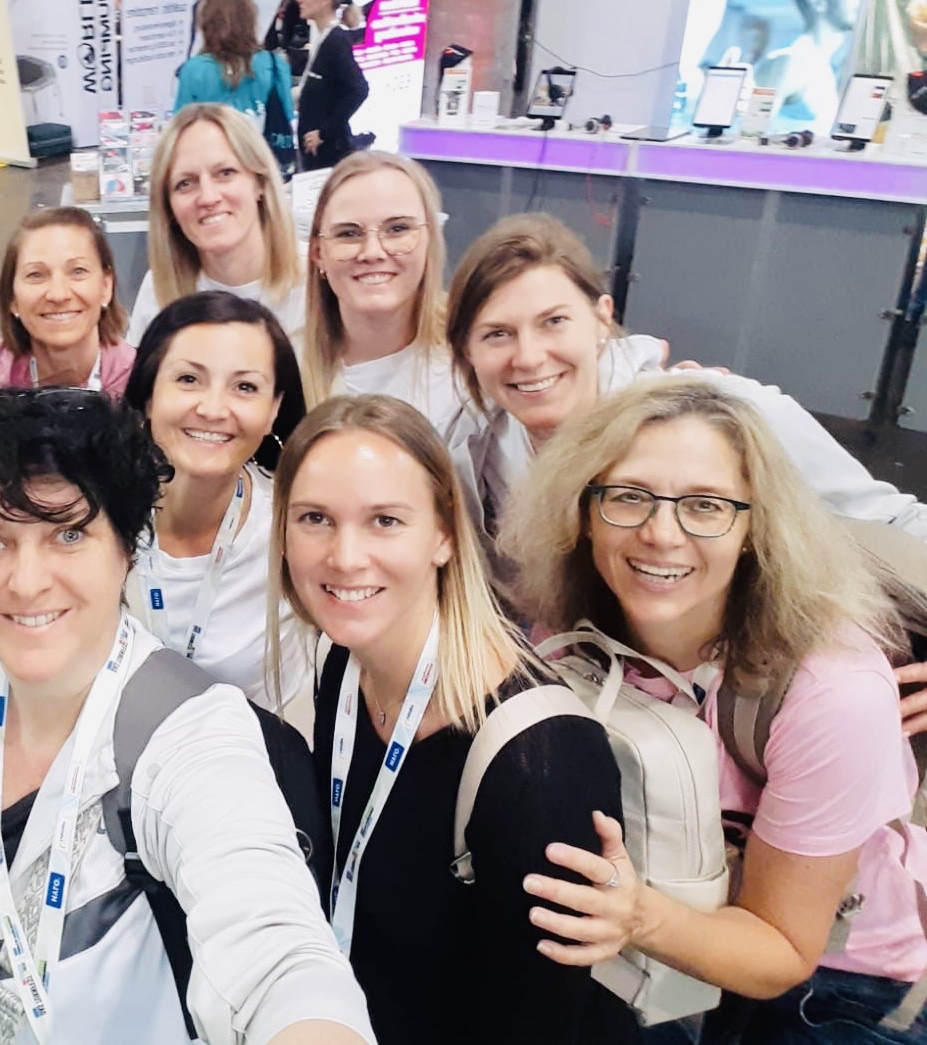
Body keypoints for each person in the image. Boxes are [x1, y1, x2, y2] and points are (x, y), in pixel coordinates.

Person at [0, 388, 374, 1043]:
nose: (27, 581)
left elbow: (274, 947)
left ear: (126, 549)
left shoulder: (188, 734)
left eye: (69, 534)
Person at [500, 377, 927, 1043]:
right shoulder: (567, 628)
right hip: (655, 926)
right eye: (629, 495)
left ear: (755, 527)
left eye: (705, 505)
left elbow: (782, 951)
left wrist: (638, 915)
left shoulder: (829, 690)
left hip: (833, 982)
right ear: (584, 511)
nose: (660, 533)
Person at [266, 392, 635, 1043]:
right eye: (315, 518)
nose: (344, 556)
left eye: (384, 520)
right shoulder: (342, 663)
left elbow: (536, 1026)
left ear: (443, 535)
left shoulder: (540, 762)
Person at [445, 212, 927, 543]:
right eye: (497, 334)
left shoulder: (726, 415)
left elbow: (898, 523)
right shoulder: (480, 452)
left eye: (554, 321)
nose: (529, 358)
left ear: (602, 318)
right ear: (466, 348)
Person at [122, 290, 310, 713]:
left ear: (274, 409)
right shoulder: (92, 517)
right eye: (189, 379)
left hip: (260, 746)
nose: (213, 408)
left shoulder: (297, 525)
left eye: (245, 387)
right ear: (149, 394)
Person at [129, 102, 305, 347]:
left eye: (225, 173)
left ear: (260, 183)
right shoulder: (157, 289)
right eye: (185, 183)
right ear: (168, 208)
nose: (208, 197)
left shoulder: (319, 280)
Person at [298, 150, 454, 419]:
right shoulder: (283, 365)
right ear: (318, 254)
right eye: (349, 234)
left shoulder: (472, 364)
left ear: (430, 241)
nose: (372, 252)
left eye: (397, 229)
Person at [0, 206, 134, 399]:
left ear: (106, 287)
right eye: (36, 275)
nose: (58, 294)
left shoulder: (148, 391)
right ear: (12, 298)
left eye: (78, 271)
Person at [174, 0, 293, 137]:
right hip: (262, 147)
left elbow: (180, 126)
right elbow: (287, 115)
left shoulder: (194, 70)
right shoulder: (275, 65)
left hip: (213, 146)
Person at [294, 0, 366, 171]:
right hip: (315, 148)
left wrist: (325, 133)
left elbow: (359, 89)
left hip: (327, 151)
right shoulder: (323, 38)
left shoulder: (336, 41)